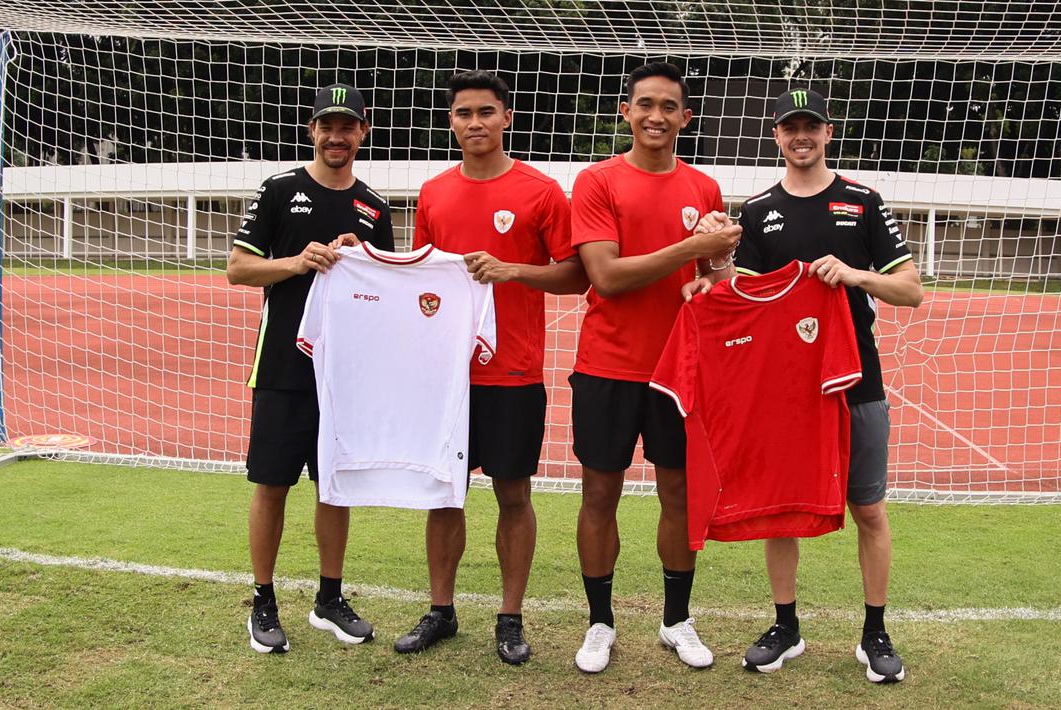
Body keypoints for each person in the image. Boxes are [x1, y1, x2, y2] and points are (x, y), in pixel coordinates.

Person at [688, 88, 923, 680]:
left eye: (811, 127)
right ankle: (785, 626)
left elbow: (911, 290)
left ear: (828, 132)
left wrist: (853, 275)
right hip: (784, 385)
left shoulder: (863, 202)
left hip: (856, 377)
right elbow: (738, 290)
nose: (801, 137)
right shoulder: (760, 208)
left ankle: (875, 634)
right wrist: (707, 271)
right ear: (776, 136)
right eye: (790, 128)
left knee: (868, 508)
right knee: (780, 507)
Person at [391, 70, 588, 665]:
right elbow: (422, 274)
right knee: (443, 496)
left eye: (485, 112)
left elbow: (576, 274)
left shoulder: (542, 191)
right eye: (462, 113)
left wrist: (512, 269)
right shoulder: (433, 193)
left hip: (513, 374)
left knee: (512, 494)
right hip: (447, 376)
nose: (474, 122)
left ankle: (509, 617)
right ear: (450, 121)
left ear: (506, 117)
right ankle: (441, 611)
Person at [569, 61, 741, 673]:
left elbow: (713, 281)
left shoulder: (705, 189)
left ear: (685, 117)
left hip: (680, 372)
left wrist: (712, 280)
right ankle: (599, 623)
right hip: (607, 367)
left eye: (669, 107)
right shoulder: (596, 181)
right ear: (626, 112)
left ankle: (676, 620)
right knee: (599, 494)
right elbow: (607, 277)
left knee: (680, 495)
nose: (656, 116)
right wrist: (694, 249)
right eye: (645, 104)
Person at [227, 83, 395, 654]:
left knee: (335, 487)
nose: (336, 136)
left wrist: (361, 255)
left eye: (347, 126)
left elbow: (388, 290)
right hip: (281, 369)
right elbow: (237, 270)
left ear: (362, 133)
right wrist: (299, 261)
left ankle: (328, 599)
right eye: (327, 125)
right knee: (271, 485)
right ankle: (263, 601)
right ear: (312, 131)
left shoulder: (374, 207)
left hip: (345, 377)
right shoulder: (279, 190)